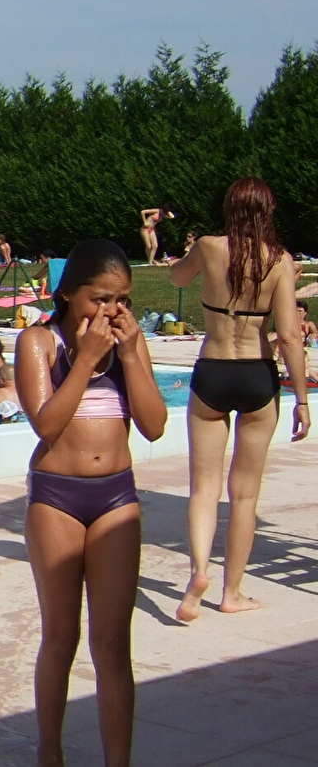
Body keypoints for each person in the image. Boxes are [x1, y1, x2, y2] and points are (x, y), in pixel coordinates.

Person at [14, 237, 166, 767]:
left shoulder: (129, 342)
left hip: (116, 495)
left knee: (112, 644)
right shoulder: (40, 341)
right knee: (61, 634)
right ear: (70, 294)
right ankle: (50, 753)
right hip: (57, 497)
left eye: (121, 299)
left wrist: (128, 355)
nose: (112, 310)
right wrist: (88, 359)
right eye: (99, 298)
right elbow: (46, 424)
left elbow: (153, 426)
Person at [170, 178, 310, 622]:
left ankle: (197, 577)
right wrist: (303, 399)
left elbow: (175, 276)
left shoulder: (210, 247)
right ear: (268, 211)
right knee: (244, 497)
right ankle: (232, 593)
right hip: (256, 373)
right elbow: (289, 336)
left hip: (212, 369)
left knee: (203, 490)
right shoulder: (280, 261)